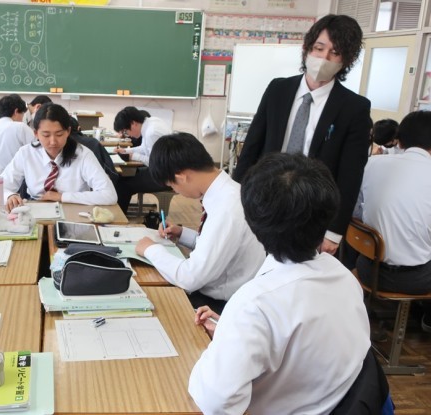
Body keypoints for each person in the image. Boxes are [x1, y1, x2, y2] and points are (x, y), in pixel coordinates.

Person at [189, 153, 371, 414]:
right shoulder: (344, 278)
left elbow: (216, 402)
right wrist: (233, 332)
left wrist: (228, 339)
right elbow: (303, 346)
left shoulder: (255, 303)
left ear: (253, 223)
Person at [232, 14, 371, 256]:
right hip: (265, 197)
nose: (324, 58)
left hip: (311, 209)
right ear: (307, 48)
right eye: (319, 48)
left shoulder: (354, 107)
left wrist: (334, 232)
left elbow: (351, 175)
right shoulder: (278, 89)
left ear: (346, 60)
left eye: (335, 53)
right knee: (251, 262)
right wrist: (232, 199)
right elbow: (252, 146)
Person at [135, 133, 265, 311]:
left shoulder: (226, 208)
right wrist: (182, 234)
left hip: (220, 305)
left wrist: (150, 249)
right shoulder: (229, 192)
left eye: (172, 186)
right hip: (223, 291)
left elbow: (190, 278)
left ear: (181, 177)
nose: (176, 191)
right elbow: (218, 246)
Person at [355, 110, 431, 330]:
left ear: (399, 140)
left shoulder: (372, 164)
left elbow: (356, 213)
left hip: (369, 269)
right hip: (417, 279)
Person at [2, 103, 117, 211]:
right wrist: (10, 195)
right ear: (36, 134)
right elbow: (2, 185)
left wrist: (62, 196)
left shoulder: (83, 155)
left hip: (74, 213)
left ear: (68, 131)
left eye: (59, 134)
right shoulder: (26, 153)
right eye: (46, 135)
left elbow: (109, 195)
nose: (53, 142)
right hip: (36, 213)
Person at [112, 106, 172, 212]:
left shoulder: (151, 133)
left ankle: (120, 218)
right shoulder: (150, 123)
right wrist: (126, 151)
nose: (128, 135)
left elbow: (155, 162)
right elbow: (145, 148)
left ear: (133, 123)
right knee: (123, 177)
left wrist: (133, 156)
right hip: (162, 170)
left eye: (126, 131)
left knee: (124, 185)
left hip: (165, 176)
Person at [0, 94, 35, 173]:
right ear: (16, 111)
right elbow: (38, 149)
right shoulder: (21, 127)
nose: (22, 118)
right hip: (21, 177)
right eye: (22, 114)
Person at [69, 116, 119, 184]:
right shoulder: (92, 143)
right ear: (79, 128)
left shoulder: (59, 145)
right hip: (96, 185)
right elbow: (111, 171)